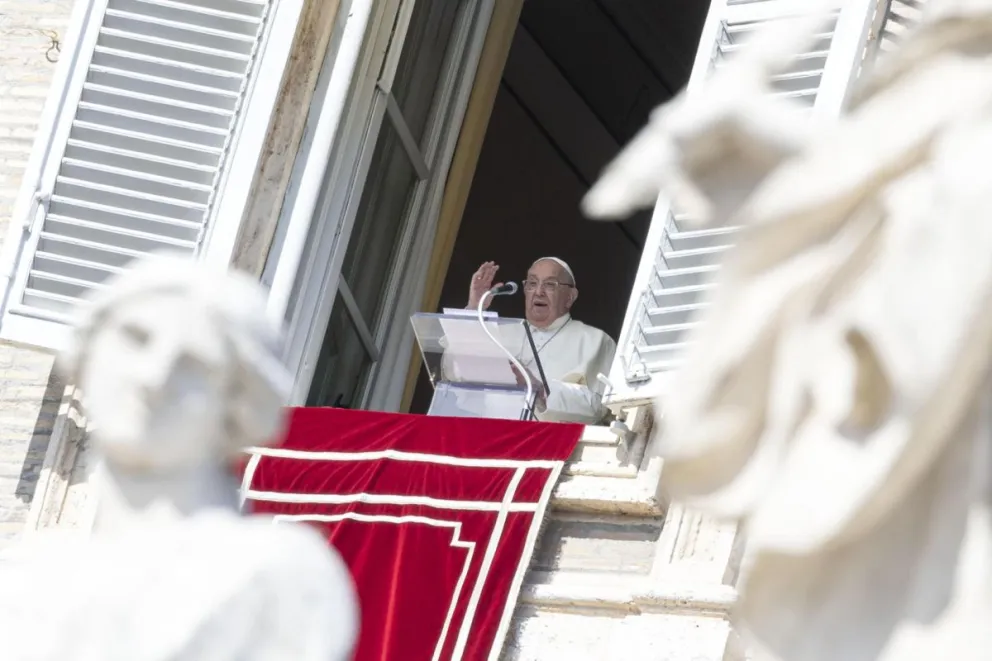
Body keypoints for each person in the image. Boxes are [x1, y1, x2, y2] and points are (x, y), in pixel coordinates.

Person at [467, 257, 616, 424]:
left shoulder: (596, 340)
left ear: (570, 297)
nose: (538, 292)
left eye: (550, 284)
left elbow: (601, 406)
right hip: (490, 435)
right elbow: (454, 372)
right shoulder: (499, 332)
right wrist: (474, 308)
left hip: (552, 445)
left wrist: (541, 391)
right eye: (532, 283)